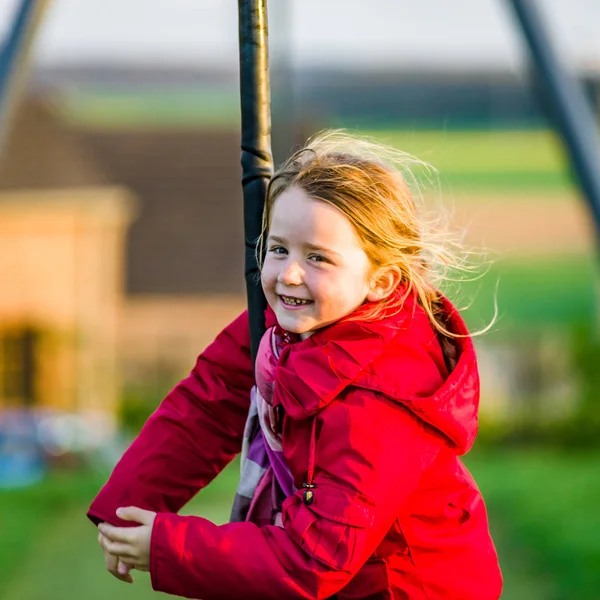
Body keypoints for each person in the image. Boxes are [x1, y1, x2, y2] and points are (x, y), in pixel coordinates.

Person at [89, 131, 502, 599]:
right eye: (280, 247)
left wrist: (168, 546)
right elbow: (210, 402)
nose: (288, 273)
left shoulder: (383, 400)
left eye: (318, 258)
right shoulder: (281, 329)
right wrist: (127, 503)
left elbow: (316, 559)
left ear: (381, 281)